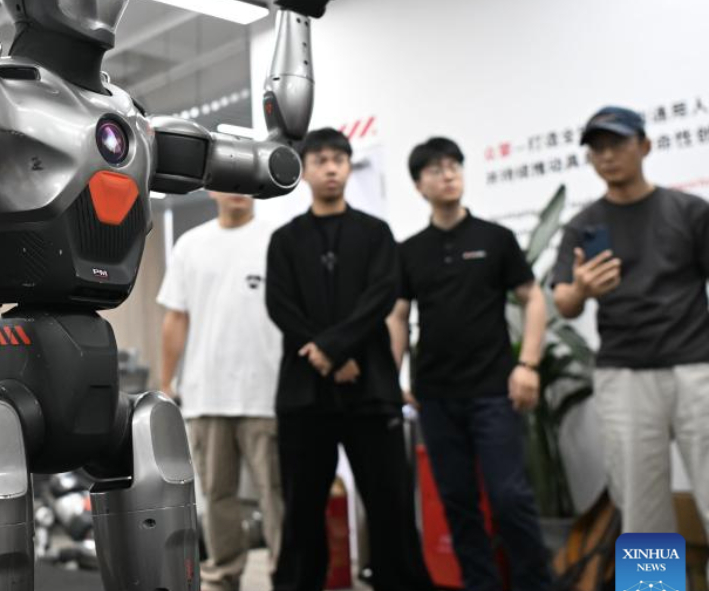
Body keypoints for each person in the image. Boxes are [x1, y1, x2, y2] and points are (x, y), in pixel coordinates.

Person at [265, 128, 431, 591]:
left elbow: (381, 296)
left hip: (370, 389)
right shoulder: (284, 240)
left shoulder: (376, 234)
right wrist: (329, 354)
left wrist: (334, 349)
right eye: (320, 159)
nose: (332, 167)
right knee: (301, 509)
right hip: (304, 394)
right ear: (304, 172)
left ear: (349, 166)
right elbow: (281, 306)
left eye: (340, 158)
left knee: (390, 505)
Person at [390, 137, 552, 591]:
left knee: (509, 498)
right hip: (436, 397)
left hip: (493, 393)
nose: (448, 175)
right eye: (436, 169)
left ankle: (535, 585)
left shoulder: (494, 239)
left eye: (454, 166)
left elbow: (533, 297)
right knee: (458, 504)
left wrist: (529, 365)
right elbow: (399, 317)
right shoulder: (410, 251)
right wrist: (393, 378)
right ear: (419, 185)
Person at [553, 106, 709, 537]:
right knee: (642, 513)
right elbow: (564, 301)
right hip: (624, 375)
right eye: (597, 148)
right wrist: (582, 289)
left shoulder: (689, 211)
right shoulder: (583, 226)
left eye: (617, 143)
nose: (607, 156)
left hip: (697, 367)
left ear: (644, 145)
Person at [157, 192, 284, 591]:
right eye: (228, 182)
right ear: (211, 189)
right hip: (206, 392)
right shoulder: (190, 244)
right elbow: (176, 316)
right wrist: (165, 381)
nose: (238, 190)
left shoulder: (277, 240)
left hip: (269, 392)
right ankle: (224, 573)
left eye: (246, 182)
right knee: (216, 495)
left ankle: (288, 573)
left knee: (276, 492)